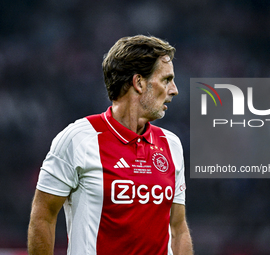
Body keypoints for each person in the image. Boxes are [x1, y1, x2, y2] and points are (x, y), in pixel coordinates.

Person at [27, 35, 193, 255]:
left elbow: (178, 228)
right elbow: (43, 216)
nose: (174, 90)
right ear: (139, 83)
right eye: (166, 80)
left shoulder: (171, 145)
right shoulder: (78, 139)